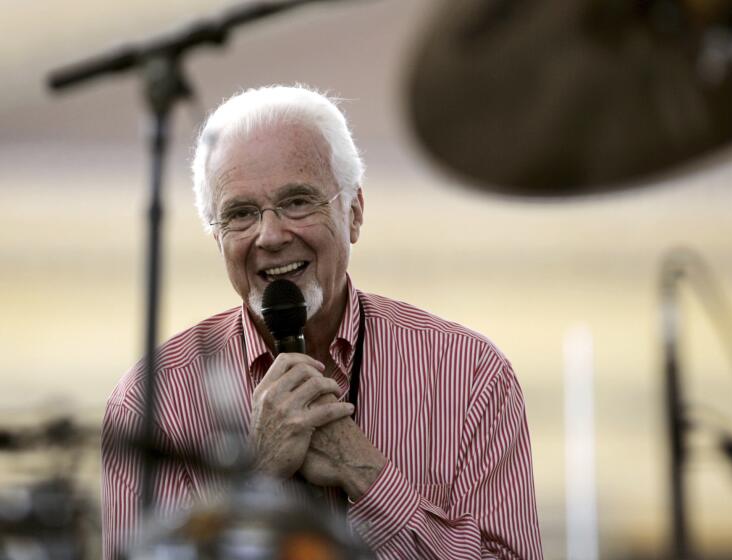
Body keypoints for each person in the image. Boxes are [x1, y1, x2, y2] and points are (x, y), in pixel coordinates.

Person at [101, 84, 543, 559]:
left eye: (297, 202)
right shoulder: (151, 400)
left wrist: (365, 473)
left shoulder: (469, 374)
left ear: (354, 212)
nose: (270, 236)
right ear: (217, 238)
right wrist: (254, 477)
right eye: (241, 214)